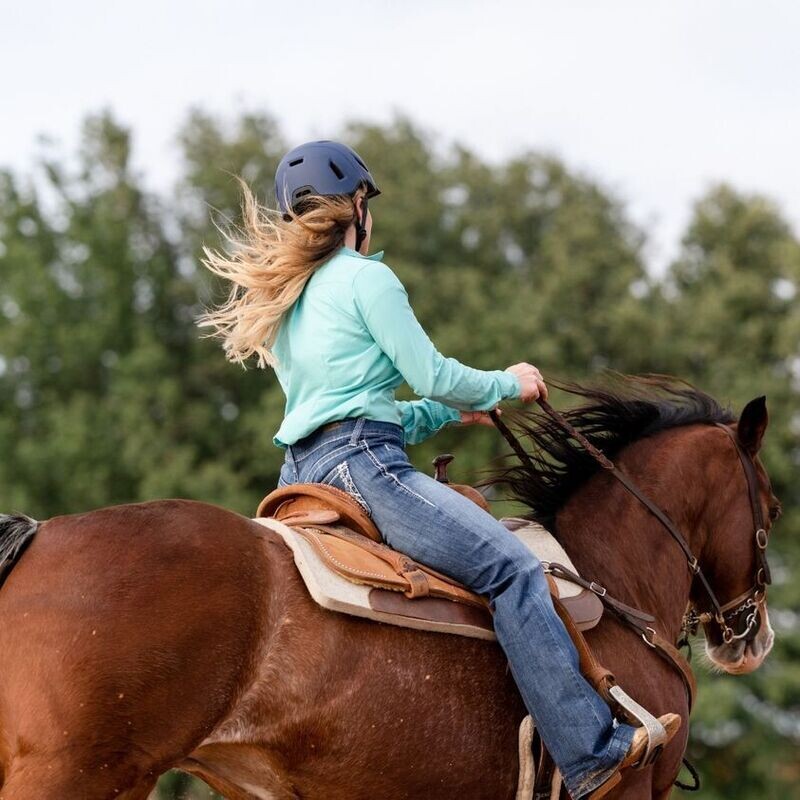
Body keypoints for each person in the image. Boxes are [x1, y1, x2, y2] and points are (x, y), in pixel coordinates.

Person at [197, 139, 680, 799]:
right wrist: (506, 385)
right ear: (356, 208)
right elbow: (430, 375)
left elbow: (349, 407)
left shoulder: (288, 301)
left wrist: (445, 416)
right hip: (366, 468)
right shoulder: (366, 278)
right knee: (511, 570)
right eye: (368, 204)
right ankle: (590, 751)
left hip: (302, 475)